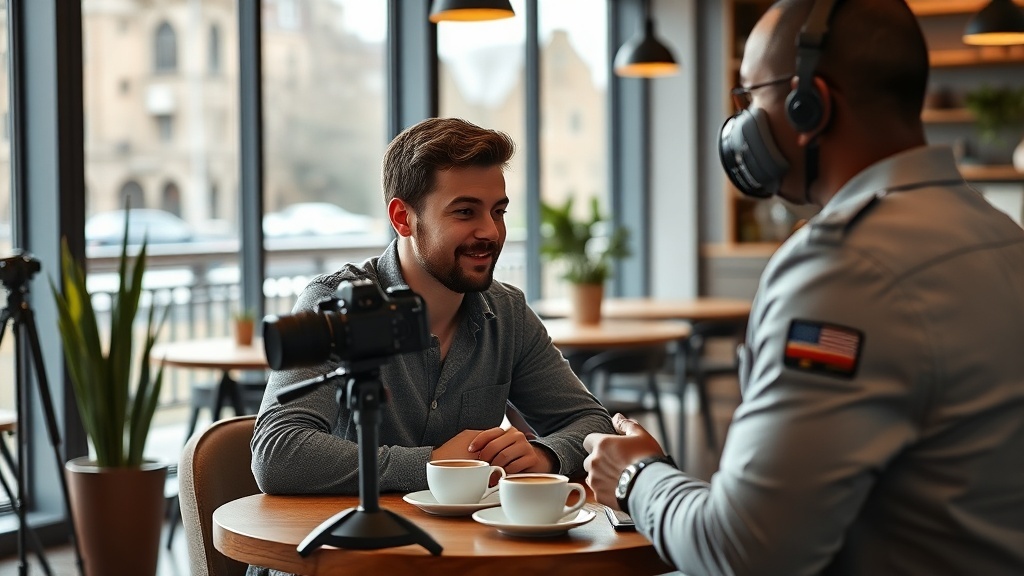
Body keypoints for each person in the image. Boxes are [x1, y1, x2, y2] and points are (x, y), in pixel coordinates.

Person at [584, 0, 1024, 574]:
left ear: (809, 102)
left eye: (751, 95)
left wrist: (637, 477)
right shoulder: (1001, 236)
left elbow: (744, 552)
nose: (741, 123)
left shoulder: (844, 270)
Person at [251, 117, 614, 497]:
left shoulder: (508, 313)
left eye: (498, 212)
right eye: (465, 212)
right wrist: (433, 464)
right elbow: (278, 452)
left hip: (459, 549)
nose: (491, 231)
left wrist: (544, 455)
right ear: (402, 218)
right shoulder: (336, 303)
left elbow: (592, 423)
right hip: (345, 547)